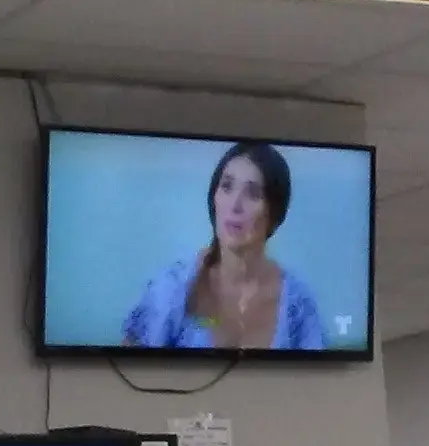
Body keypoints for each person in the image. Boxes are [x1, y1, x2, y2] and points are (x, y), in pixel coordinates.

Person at [122, 141, 324, 351]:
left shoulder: (298, 304)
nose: (235, 204)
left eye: (253, 193)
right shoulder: (174, 287)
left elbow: (318, 380)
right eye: (226, 186)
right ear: (214, 197)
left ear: (274, 213)